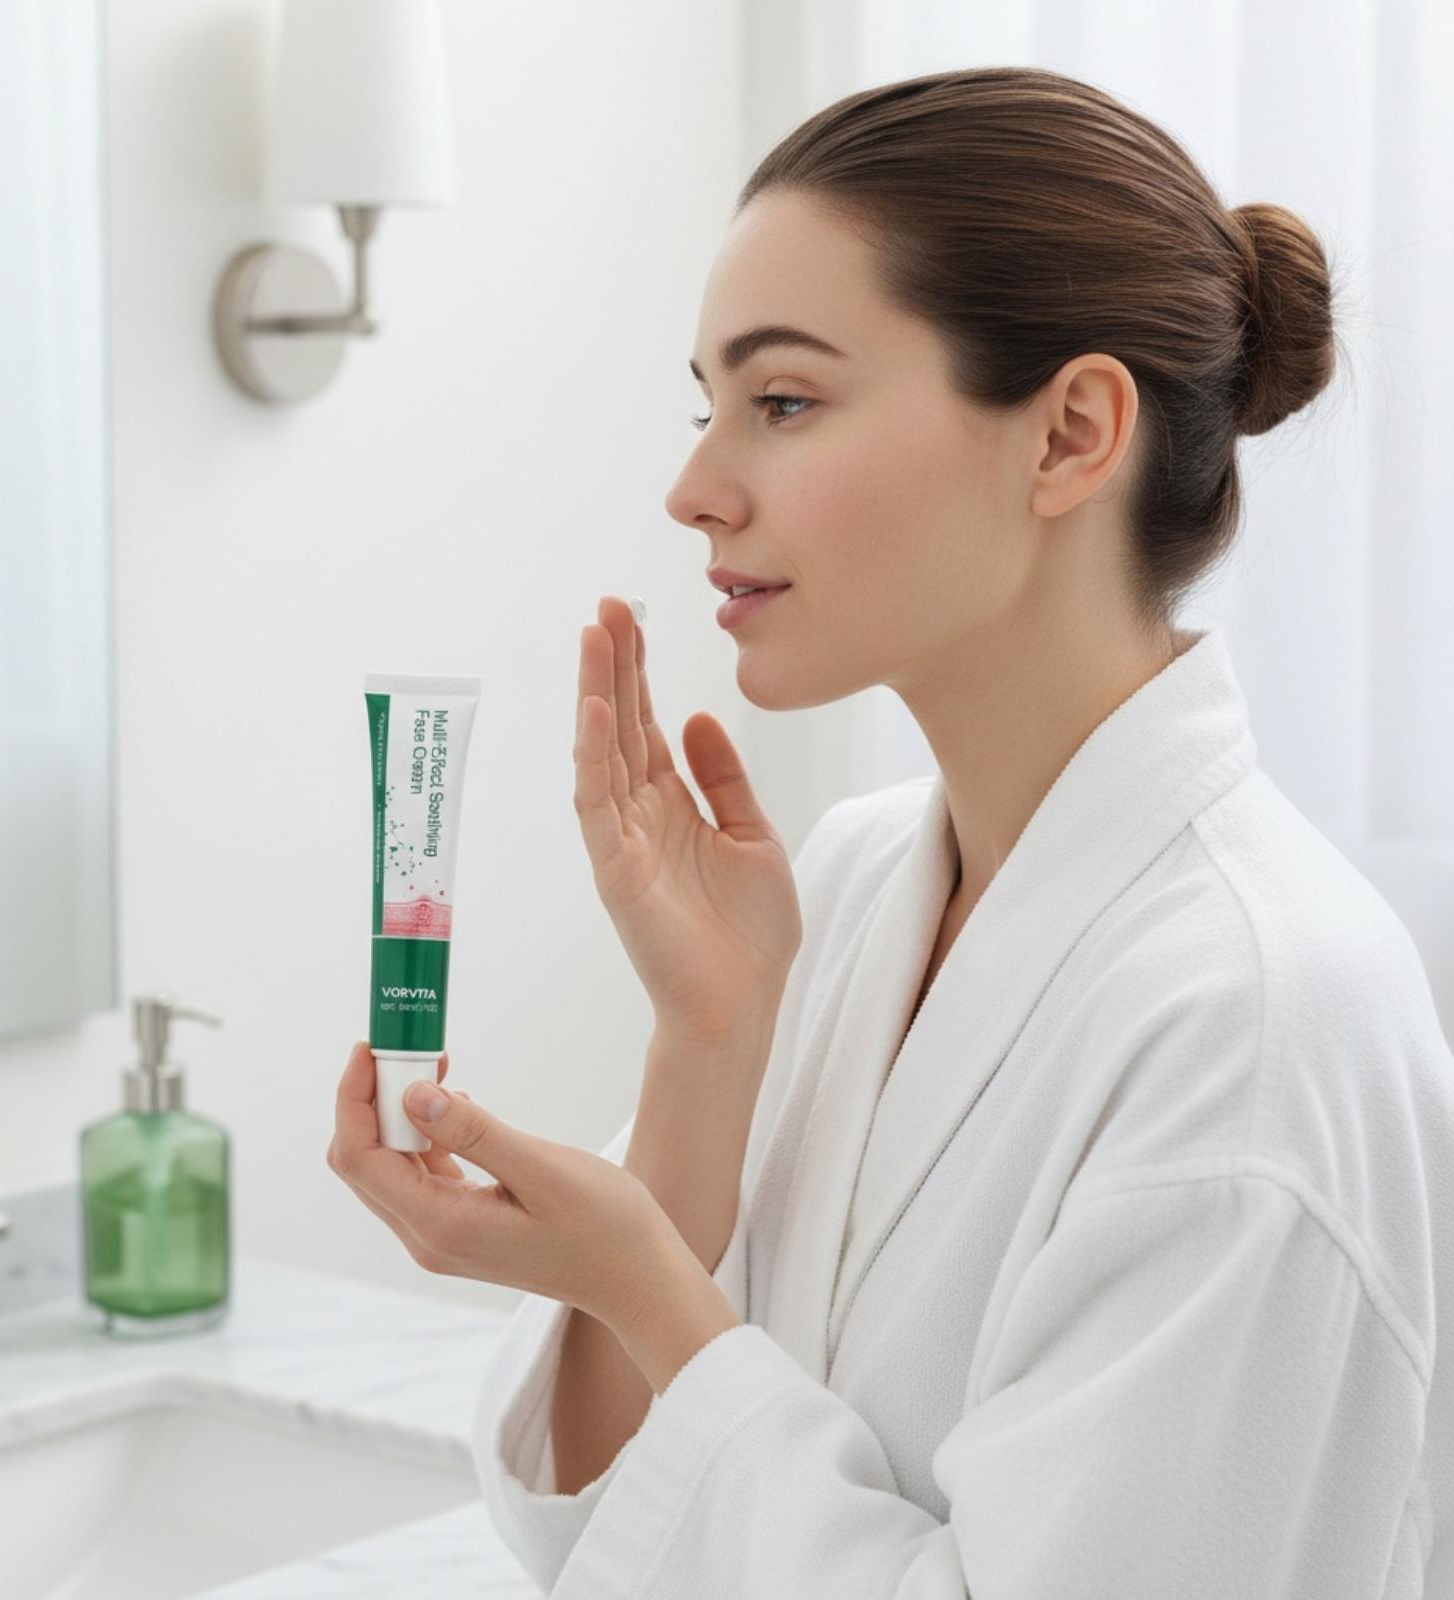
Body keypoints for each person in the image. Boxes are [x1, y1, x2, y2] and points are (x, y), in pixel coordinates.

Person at [326, 65, 1454, 1597]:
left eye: (782, 402)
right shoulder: (853, 887)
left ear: (1069, 435)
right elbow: (595, 1530)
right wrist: (706, 1053)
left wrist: (648, 1286)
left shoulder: (1260, 1024)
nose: (693, 489)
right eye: (709, 407)